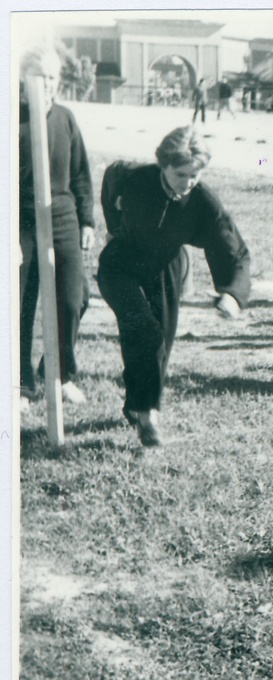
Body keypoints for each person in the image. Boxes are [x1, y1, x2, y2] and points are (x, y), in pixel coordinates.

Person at [97, 126, 251, 447]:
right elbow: (111, 178)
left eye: (196, 174)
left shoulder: (203, 200)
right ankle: (149, 416)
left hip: (165, 268)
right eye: (181, 175)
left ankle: (135, 405)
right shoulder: (135, 177)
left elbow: (230, 244)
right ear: (164, 165)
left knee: (159, 344)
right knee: (144, 330)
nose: (189, 182)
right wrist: (114, 225)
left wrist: (233, 292)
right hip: (121, 265)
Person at [19, 45, 96, 408]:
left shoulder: (65, 117)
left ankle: (59, 373)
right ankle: (20, 384)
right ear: (22, 76)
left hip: (62, 216)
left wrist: (87, 221)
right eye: (41, 76)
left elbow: (80, 174)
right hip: (18, 222)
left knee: (73, 297)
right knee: (16, 303)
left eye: (54, 77)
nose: (49, 83)